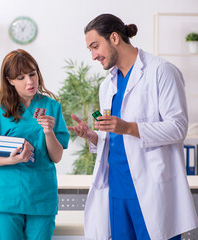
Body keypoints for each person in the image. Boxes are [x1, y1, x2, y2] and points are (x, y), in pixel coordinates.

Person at [68, 14, 198, 240]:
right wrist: (92, 136)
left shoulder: (161, 71)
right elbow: (113, 138)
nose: (93, 56)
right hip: (117, 192)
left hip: (151, 191)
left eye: (95, 46)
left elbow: (178, 127)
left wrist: (129, 127)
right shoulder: (107, 85)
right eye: (90, 49)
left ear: (115, 38)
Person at [0, 49, 70, 240]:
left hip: (41, 195)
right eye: (21, 77)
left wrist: (49, 132)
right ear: (9, 80)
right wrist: (10, 160)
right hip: (6, 197)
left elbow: (57, 157)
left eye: (32, 74)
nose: (30, 81)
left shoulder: (52, 107)